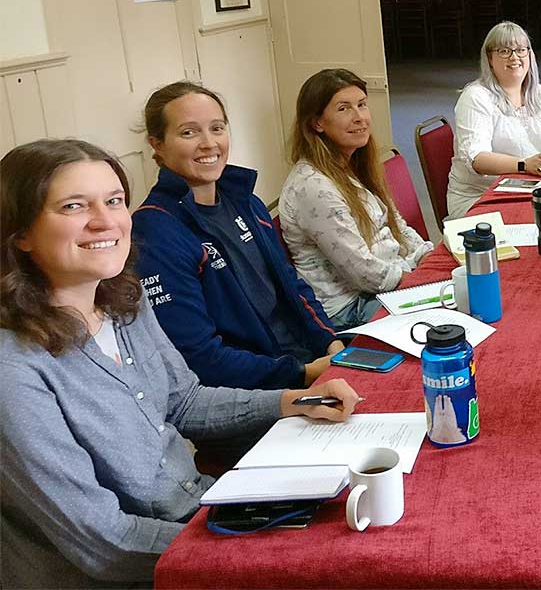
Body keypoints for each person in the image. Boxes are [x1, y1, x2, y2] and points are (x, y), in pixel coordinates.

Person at [0, 139, 361, 587]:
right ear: (20, 233)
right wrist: (254, 553)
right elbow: (103, 542)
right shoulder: (14, 370)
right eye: (74, 206)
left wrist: (296, 401)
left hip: (200, 513)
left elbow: (184, 401)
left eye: (114, 201)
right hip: (137, 569)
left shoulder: (123, 301)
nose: (104, 221)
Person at [132, 81, 344, 390]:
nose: (208, 143)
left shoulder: (245, 201)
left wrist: (331, 344)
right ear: (158, 144)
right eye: (189, 132)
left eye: (217, 128)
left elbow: (291, 283)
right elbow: (199, 356)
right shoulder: (156, 231)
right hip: (255, 392)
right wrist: (304, 374)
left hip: (306, 363)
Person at [280, 68, 434, 330]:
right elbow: (362, 271)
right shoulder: (314, 187)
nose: (359, 117)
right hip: (350, 307)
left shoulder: (352, 164)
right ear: (317, 123)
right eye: (344, 109)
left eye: (362, 105)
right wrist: (420, 282)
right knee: (450, 315)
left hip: (386, 281)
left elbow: (396, 225)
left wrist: (428, 257)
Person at [448, 21, 541, 219]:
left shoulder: (536, 93)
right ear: (489, 58)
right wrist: (523, 164)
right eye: (504, 51)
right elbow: (476, 158)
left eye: (521, 50)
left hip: (525, 188)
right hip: (480, 198)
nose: (514, 57)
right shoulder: (476, 97)